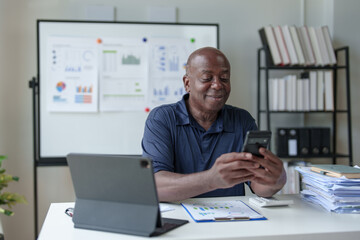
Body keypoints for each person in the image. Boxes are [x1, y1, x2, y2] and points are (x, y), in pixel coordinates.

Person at [142, 47, 286, 202]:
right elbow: (156, 186)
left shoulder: (242, 120)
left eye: (224, 78)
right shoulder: (162, 119)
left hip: (232, 219)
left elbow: (259, 186)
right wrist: (211, 180)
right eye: (206, 78)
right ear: (187, 83)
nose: (217, 85)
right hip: (180, 219)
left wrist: (277, 180)